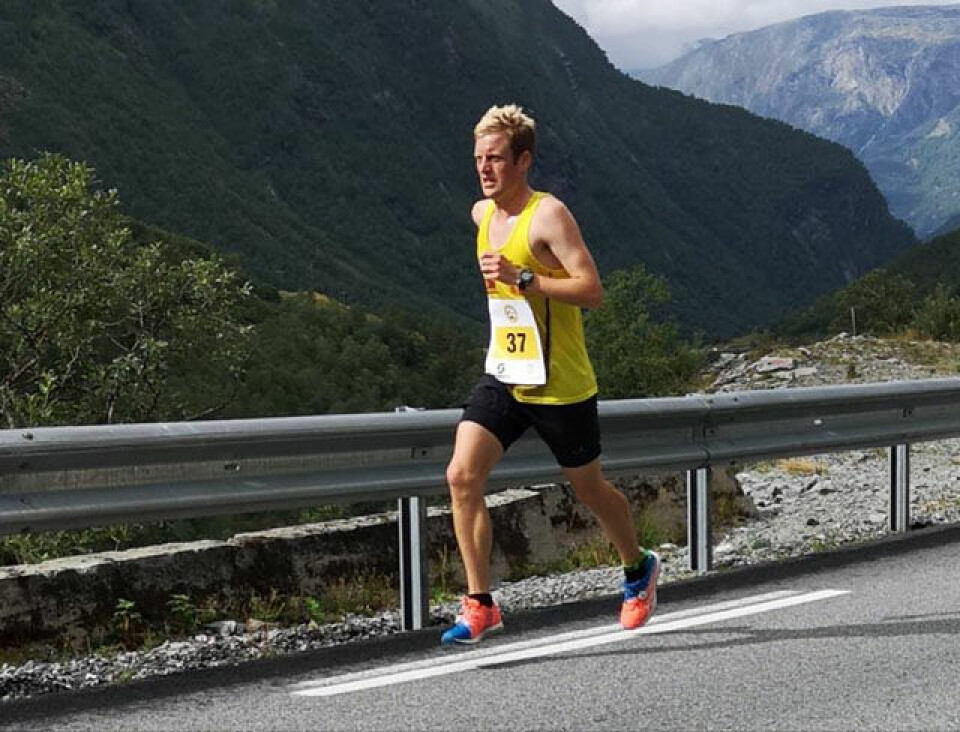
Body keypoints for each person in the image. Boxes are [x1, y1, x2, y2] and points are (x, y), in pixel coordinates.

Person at [441, 104, 660, 646]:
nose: (484, 170)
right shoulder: (481, 215)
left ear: (524, 160)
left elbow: (592, 290)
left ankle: (638, 566)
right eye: (478, 160)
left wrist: (528, 280)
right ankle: (480, 603)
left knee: (590, 490)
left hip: (559, 382)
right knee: (461, 476)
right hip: (506, 372)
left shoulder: (549, 216)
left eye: (495, 159)